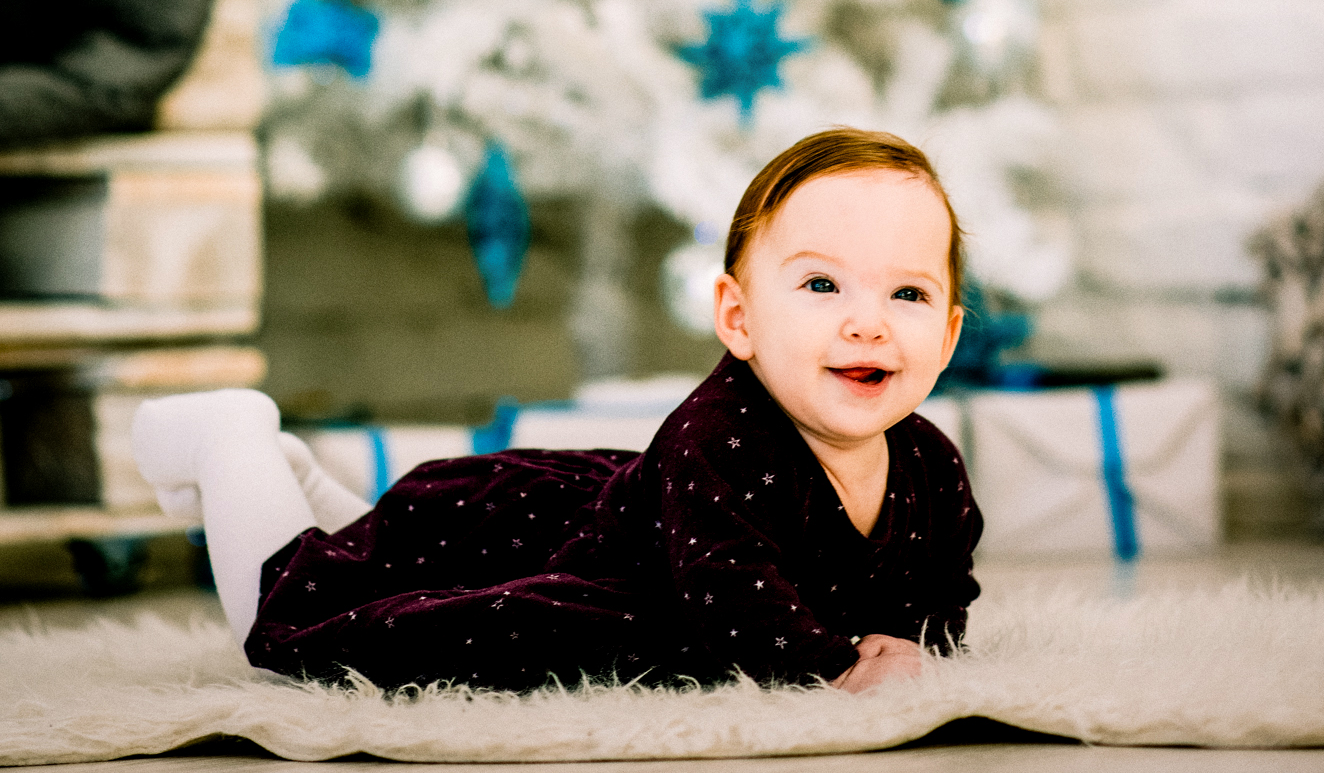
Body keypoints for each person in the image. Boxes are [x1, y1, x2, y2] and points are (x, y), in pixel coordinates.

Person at [132, 126, 980, 695]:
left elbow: (941, 587)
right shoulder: (718, 437)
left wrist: (917, 643)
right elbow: (729, 595)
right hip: (539, 544)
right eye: (821, 285)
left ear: (945, 337)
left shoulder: (931, 466)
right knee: (294, 607)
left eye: (906, 293)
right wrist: (831, 665)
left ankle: (298, 476)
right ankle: (227, 435)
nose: (866, 320)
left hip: (602, 515)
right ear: (738, 318)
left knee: (367, 552)